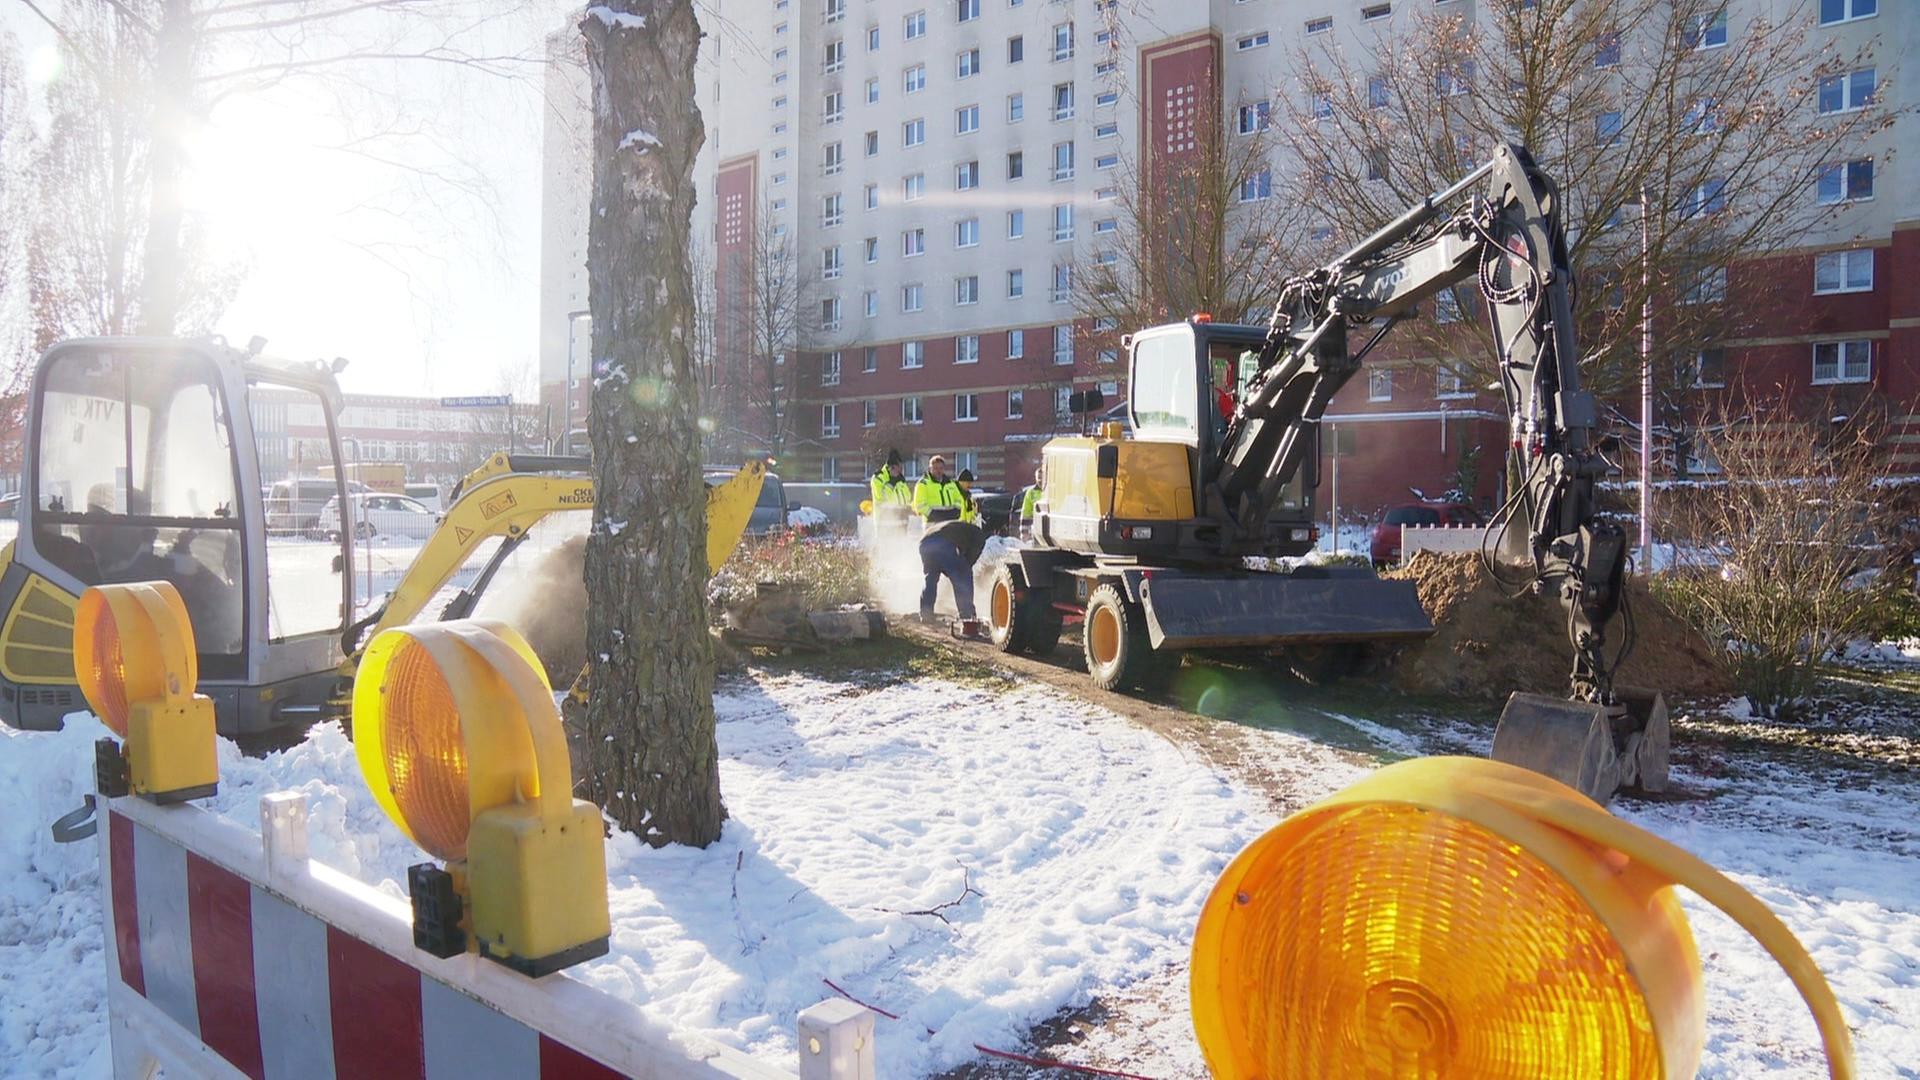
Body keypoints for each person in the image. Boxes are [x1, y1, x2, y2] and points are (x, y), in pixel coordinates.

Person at [919, 515, 987, 636]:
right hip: (943, 543)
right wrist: (960, 572)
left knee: (931, 577)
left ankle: (926, 613)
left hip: (925, 542)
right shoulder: (979, 536)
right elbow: (969, 560)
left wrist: (952, 570)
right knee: (963, 575)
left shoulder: (960, 528)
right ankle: (968, 618)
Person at [913, 454, 967, 523]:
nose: (938, 471)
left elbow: (959, 500)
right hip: (932, 523)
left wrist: (956, 511)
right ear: (930, 469)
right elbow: (919, 505)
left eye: (941, 468)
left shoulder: (951, 483)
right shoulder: (923, 484)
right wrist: (933, 514)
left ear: (944, 469)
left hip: (951, 521)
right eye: (935, 468)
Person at [1018, 466, 1043, 539]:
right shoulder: (1031, 492)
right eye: (1038, 478)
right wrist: (1024, 533)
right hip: (1036, 530)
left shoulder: (1051, 491)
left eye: (1042, 478)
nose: (1040, 480)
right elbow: (1026, 513)